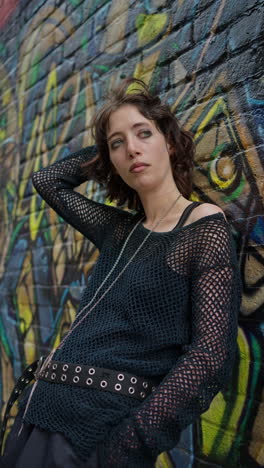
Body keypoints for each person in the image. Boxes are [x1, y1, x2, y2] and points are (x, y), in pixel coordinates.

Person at [1, 78, 241, 467]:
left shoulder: (201, 225)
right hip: (39, 415)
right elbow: (47, 181)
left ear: (170, 142)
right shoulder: (119, 230)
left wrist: (129, 444)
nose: (131, 148)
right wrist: (106, 148)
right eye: (117, 143)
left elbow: (210, 355)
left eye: (143, 133)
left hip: (93, 437)